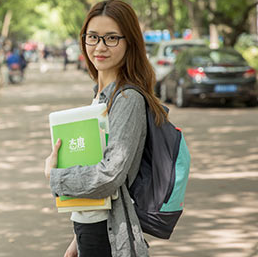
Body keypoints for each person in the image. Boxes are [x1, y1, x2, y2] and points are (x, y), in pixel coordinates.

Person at [43, 1, 168, 256]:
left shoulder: (127, 98)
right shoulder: (100, 94)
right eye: (93, 37)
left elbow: (110, 175)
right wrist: (76, 240)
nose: (100, 46)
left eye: (111, 38)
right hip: (90, 228)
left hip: (106, 236)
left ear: (129, 42)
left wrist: (54, 176)